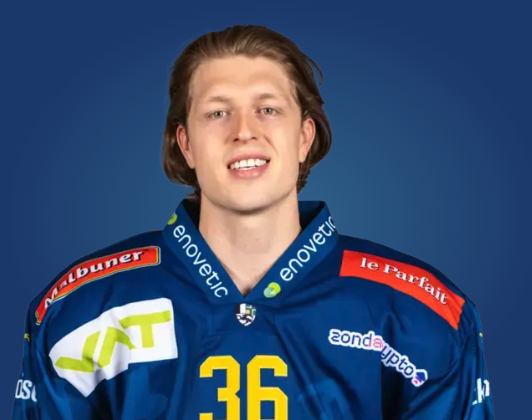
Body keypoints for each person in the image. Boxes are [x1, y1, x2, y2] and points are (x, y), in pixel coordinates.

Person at [12, 24, 494, 419]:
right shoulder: (84, 307)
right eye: (218, 112)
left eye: (268, 109)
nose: (244, 131)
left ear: (304, 136)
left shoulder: (418, 313)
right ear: (185, 144)